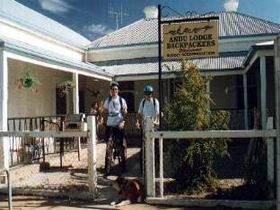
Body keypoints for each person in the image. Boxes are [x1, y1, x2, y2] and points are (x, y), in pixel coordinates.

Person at [103, 81, 128, 175]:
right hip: (110, 126)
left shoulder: (122, 100)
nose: (114, 91)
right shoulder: (108, 100)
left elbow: (125, 112)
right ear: (110, 91)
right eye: (113, 89)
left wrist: (123, 122)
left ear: (118, 90)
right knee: (109, 146)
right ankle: (107, 169)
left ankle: (124, 166)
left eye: (116, 89)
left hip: (119, 126)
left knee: (122, 145)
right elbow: (105, 111)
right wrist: (104, 121)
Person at [136, 85, 160, 175]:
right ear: (144, 94)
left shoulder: (155, 102)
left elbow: (157, 114)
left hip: (154, 127)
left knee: (155, 148)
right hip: (144, 127)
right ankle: (142, 169)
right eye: (146, 94)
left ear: (151, 94)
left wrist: (156, 122)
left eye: (150, 94)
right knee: (143, 147)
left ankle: (156, 167)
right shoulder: (142, 102)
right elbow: (139, 113)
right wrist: (137, 122)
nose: (148, 96)